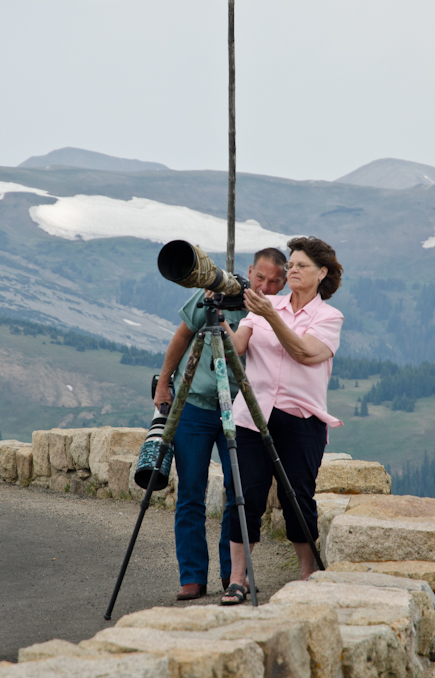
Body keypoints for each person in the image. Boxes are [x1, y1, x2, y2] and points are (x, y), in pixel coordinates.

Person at [154, 247, 287, 601]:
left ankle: (235, 575)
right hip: (195, 404)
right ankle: (192, 577)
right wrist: (165, 383)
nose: (265, 286)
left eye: (275, 281)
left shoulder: (274, 312)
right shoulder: (213, 295)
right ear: (249, 271)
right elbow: (182, 337)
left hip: (240, 409)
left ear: (284, 283)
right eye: (260, 278)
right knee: (191, 493)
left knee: (238, 492)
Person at [219, 236, 344, 605]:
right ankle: (238, 579)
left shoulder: (328, 317)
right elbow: (238, 348)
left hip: (301, 419)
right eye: (290, 265)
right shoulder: (264, 305)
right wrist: (221, 321)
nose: (291, 271)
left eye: (300, 266)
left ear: (321, 273)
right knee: (244, 498)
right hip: (251, 416)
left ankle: (308, 573)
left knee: (297, 499)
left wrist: (271, 315)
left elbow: (305, 353)